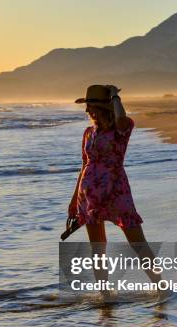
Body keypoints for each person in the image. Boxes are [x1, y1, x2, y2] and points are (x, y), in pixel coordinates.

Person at [68, 84, 166, 297]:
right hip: (89, 195)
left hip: (116, 191)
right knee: (98, 247)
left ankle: (161, 286)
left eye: (92, 106)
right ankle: (105, 294)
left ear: (106, 106)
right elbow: (84, 165)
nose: (88, 111)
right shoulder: (88, 133)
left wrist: (115, 96)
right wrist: (74, 199)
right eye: (87, 106)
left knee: (137, 242)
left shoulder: (122, 129)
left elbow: (121, 118)